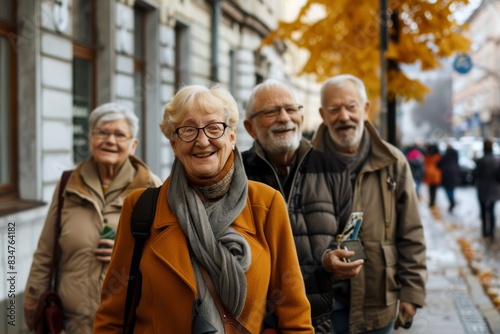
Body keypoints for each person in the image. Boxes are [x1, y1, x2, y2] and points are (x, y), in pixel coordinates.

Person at [94, 83, 314, 333]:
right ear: (174, 144)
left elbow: (294, 315)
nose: (202, 140)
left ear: (231, 137)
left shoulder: (266, 203)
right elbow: (113, 315)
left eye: (214, 128)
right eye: (188, 130)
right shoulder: (141, 208)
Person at [23, 102, 162, 333]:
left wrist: (127, 252)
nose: (110, 140)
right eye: (102, 132)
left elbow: (164, 253)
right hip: (72, 322)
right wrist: (32, 297)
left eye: (119, 134)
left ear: (133, 144)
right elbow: (45, 250)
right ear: (90, 139)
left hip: (127, 321)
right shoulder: (68, 184)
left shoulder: (151, 189)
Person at [311, 74, 427, 334]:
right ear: (322, 114)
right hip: (322, 305)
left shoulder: (393, 162)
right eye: (334, 109)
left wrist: (412, 291)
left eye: (351, 107)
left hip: (378, 302)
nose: (344, 116)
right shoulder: (306, 164)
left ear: (365, 110)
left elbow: (411, 232)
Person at [241, 79, 353, 333]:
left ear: (301, 116)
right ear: (250, 128)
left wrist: (340, 256)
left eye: (291, 109)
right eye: (271, 112)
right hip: (257, 322)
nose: (284, 118)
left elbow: (352, 234)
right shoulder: (236, 175)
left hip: (322, 320)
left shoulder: (333, 170)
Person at [474, 138, 500, 240]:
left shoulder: (480, 161)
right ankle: (492, 232)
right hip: (493, 189)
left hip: (483, 189)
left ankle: (485, 231)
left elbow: (476, 174)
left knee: (484, 211)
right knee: (492, 210)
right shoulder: (497, 160)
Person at [437, 143, 460, 212]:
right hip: (454, 173)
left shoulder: (445, 155)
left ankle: (451, 201)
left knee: (447, 189)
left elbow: (439, 164)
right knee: (452, 189)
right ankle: (452, 200)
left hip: (446, 174)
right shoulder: (455, 154)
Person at [423, 143, 442, 208]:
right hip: (436, 174)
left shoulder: (427, 156)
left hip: (429, 173)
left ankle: (431, 201)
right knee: (434, 189)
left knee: (430, 189)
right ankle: (433, 201)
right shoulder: (438, 156)